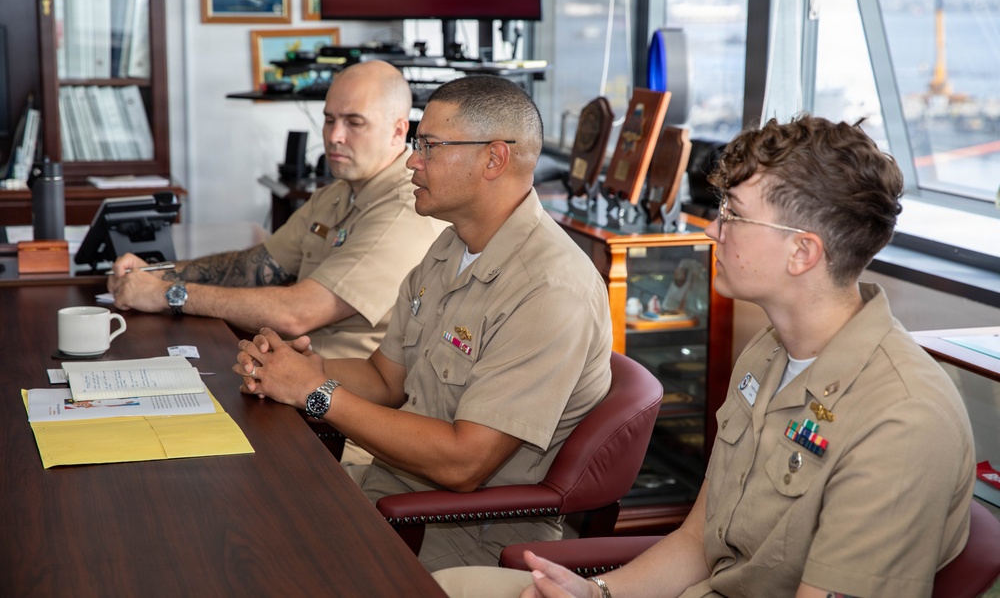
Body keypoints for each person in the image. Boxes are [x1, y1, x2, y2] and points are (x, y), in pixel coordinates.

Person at [433, 114, 976, 598]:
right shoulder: (768, 353)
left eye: (734, 215)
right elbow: (699, 540)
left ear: (802, 252)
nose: (714, 229)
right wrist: (596, 593)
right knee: (448, 586)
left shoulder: (902, 419)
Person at [233, 75, 613, 572]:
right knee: (239, 511)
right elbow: (387, 378)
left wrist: (317, 393)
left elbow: (463, 463)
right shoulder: (451, 246)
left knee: (255, 559)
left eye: (429, 146)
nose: (412, 161)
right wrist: (297, 368)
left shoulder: (549, 290)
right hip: (392, 491)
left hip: (465, 534)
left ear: (494, 159)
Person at [107, 60, 443, 361]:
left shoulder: (405, 210)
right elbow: (254, 267)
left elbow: (296, 314)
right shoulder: (338, 194)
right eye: (329, 120)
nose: (335, 136)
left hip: (340, 396)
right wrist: (157, 273)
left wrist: (168, 294)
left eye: (354, 122)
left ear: (398, 131)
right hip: (289, 370)